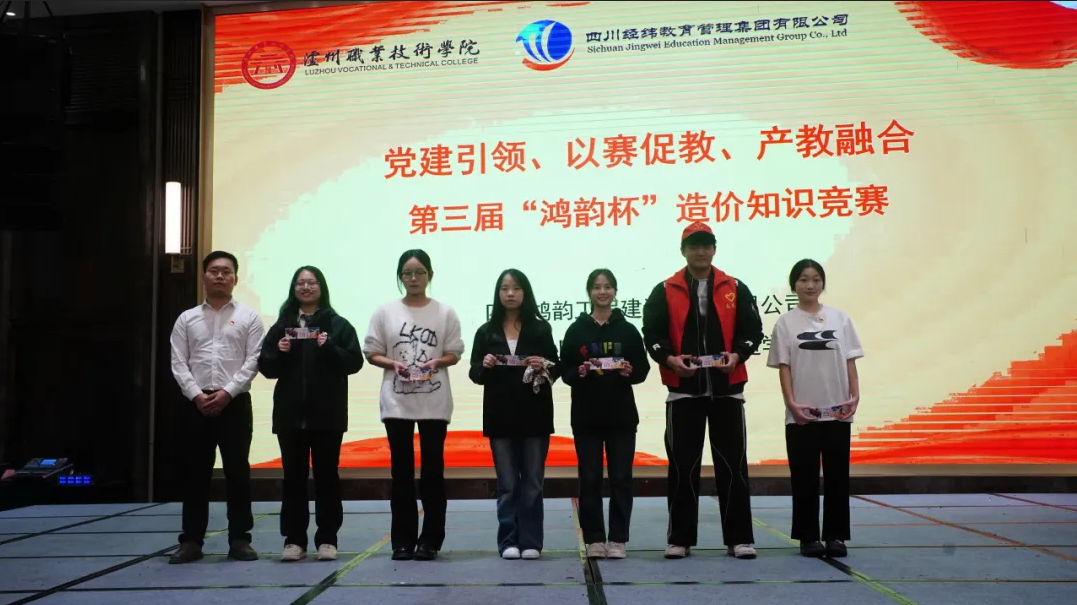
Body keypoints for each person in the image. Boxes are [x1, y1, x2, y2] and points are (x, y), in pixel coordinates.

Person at [642, 221, 765, 560]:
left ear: (714, 249)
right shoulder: (664, 290)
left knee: (733, 466)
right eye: (694, 245)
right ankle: (679, 539)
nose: (700, 251)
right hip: (683, 391)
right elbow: (652, 334)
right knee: (683, 467)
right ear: (683, 251)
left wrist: (737, 355)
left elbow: (753, 330)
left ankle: (739, 538)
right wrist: (670, 359)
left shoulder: (735, 287)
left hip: (727, 390)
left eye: (706, 245)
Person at [362, 249, 465, 562]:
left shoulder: (445, 312)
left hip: (434, 401)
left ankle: (430, 540)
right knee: (401, 473)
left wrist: (437, 362)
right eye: (407, 273)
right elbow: (371, 351)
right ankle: (403, 541)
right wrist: (393, 363)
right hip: (397, 402)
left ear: (430, 275)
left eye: (419, 272)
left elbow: (455, 352)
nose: (413, 278)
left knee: (433, 473)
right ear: (400, 277)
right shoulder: (385, 311)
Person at [257, 266, 364, 563]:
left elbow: (354, 362)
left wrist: (328, 347)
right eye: (300, 283)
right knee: (293, 478)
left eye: (311, 282)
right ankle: (294, 540)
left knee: (327, 477)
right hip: (290, 416)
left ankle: (327, 538)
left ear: (321, 287)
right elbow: (266, 367)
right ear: (294, 289)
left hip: (327, 416)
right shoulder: (283, 325)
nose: (306, 287)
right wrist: (279, 352)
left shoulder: (338, 324)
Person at [168, 251, 264, 564]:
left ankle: (240, 540)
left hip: (235, 404)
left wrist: (227, 393)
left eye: (226, 271)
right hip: (195, 405)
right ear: (204, 277)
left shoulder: (249, 317)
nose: (220, 276)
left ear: (235, 278)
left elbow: (253, 360)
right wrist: (196, 395)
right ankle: (192, 541)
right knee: (195, 473)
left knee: (238, 473)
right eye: (213, 271)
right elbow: (178, 362)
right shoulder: (187, 318)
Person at [766, 259, 862, 558]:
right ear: (794, 285)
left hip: (837, 410)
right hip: (802, 413)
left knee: (837, 476)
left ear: (823, 284)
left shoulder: (840, 318)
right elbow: (783, 366)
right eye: (804, 279)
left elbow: (850, 361)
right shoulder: (785, 322)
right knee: (804, 476)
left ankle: (836, 536)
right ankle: (807, 537)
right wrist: (791, 403)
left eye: (816, 279)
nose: (810, 285)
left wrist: (855, 396)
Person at [468, 269, 560, 560]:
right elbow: (475, 374)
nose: (510, 293)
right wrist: (484, 364)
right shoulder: (486, 331)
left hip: (535, 415)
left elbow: (556, 368)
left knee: (532, 482)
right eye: (505, 288)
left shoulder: (540, 329)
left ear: (525, 293)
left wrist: (543, 364)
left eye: (516, 288)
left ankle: (531, 540)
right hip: (500, 416)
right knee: (507, 484)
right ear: (498, 293)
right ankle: (508, 540)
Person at [560, 268, 650, 559]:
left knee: (621, 478)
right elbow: (564, 371)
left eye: (608, 286)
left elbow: (643, 370)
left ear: (615, 292)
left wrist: (629, 371)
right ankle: (595, 539)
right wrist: (579, 371)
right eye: (597, 287)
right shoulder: (576, 330)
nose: (602, 292)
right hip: (586, 417)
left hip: (622, 417)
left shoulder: (628, 330)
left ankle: (618, 539)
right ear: (589, 292)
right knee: (590, 479)